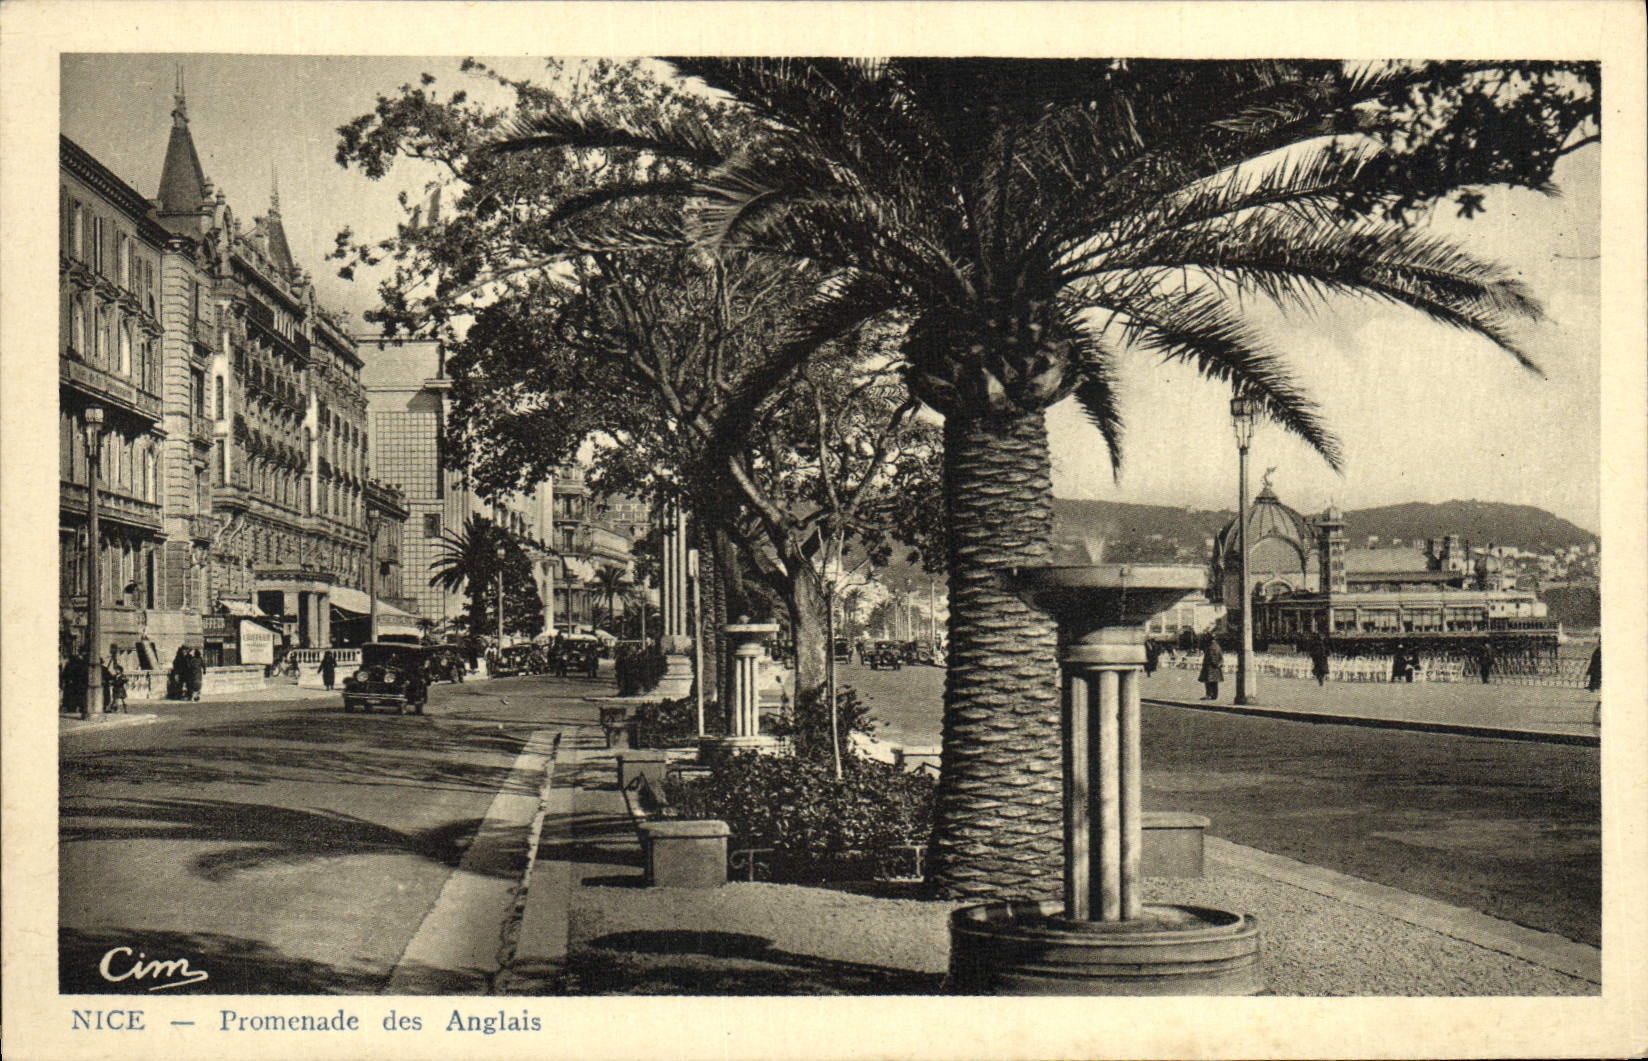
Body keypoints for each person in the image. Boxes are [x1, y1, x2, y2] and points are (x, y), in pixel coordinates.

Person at [1198, 636, 1224, 701]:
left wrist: (1214, 664)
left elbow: (1212, 658)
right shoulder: (1218, 646)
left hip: (1210, 667)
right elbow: (1221, 658)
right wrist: (1218, 665)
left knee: (1208, 682)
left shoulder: (1211, 647)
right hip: (1216, 668)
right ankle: (1215, 696)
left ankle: (1209, 695)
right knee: (1214, 682)